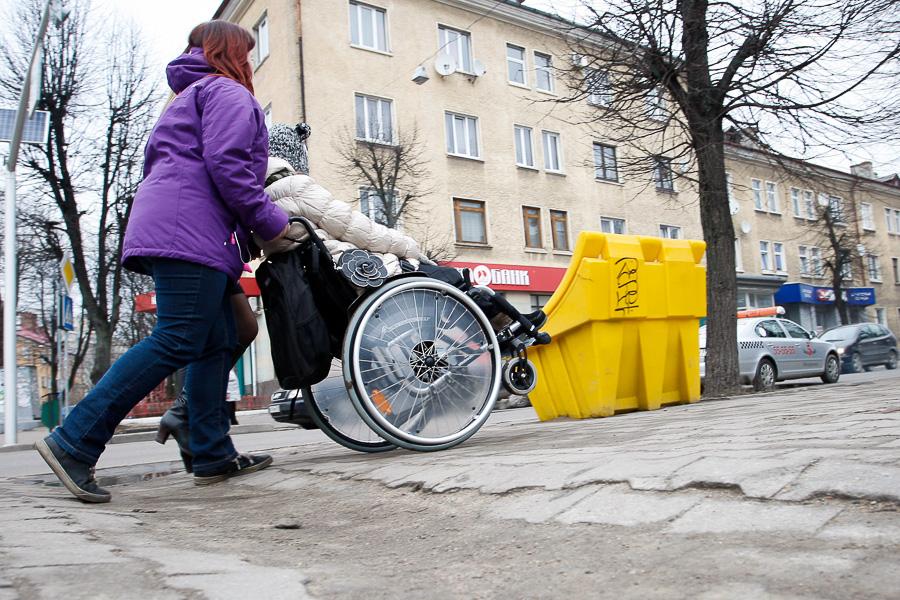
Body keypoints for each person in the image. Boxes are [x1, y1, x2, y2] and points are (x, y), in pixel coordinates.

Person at [35, 20, 289, 503]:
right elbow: (229, 167)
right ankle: (73, 442)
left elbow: (192, 168)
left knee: (218, 340)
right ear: (231, 52)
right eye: (247, 51)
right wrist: (272, 224)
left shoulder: (187, 96)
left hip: (185, 228)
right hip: (190, 231)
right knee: (178, 338)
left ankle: (212, 452)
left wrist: (239, 234)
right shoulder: (229, 94)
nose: (251, 61)